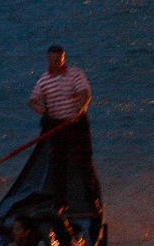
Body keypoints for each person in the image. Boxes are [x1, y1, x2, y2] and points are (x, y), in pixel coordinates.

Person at [28, 44, 101, 211]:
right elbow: (33, 100)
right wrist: (41, 109)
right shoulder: (44, 80)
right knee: (58, 165)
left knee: (85, 162)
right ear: (48, 59)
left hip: (77, 124)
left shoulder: (75, 74)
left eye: (59, 59)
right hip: (57, 127)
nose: (56, 63)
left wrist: (79, 109)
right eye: (53, 60)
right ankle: (61, 203)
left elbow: (85, 93)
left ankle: (92, 200)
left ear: (64, 58)